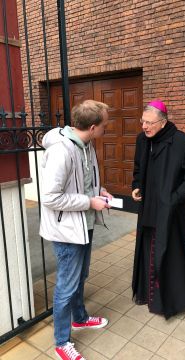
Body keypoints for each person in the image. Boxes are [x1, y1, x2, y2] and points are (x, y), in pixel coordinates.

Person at [40, 100, 112, 360]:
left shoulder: (87, 144)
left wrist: (98, 192)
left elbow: (84, 181)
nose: (106, 129)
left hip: (84, 224)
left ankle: (79, 319)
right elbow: (50, 197)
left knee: (80, 276)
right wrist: (88, 202)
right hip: (66, 230)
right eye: (104, 125)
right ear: (92, 127)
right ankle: (61, 342)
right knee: (66, 286)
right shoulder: (61, 151)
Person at [131, 100, 185, 319]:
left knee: (169, 252)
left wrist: (174, 198)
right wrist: (136, 186)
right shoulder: (142, 140)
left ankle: (169, 300)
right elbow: (137, 168)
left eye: (149, 123)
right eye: (142, 121)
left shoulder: (182, 142)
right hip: (148, 208)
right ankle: (148, 292)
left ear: (163, 122)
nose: (144, 126)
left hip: (170, 211)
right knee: (148, 249)